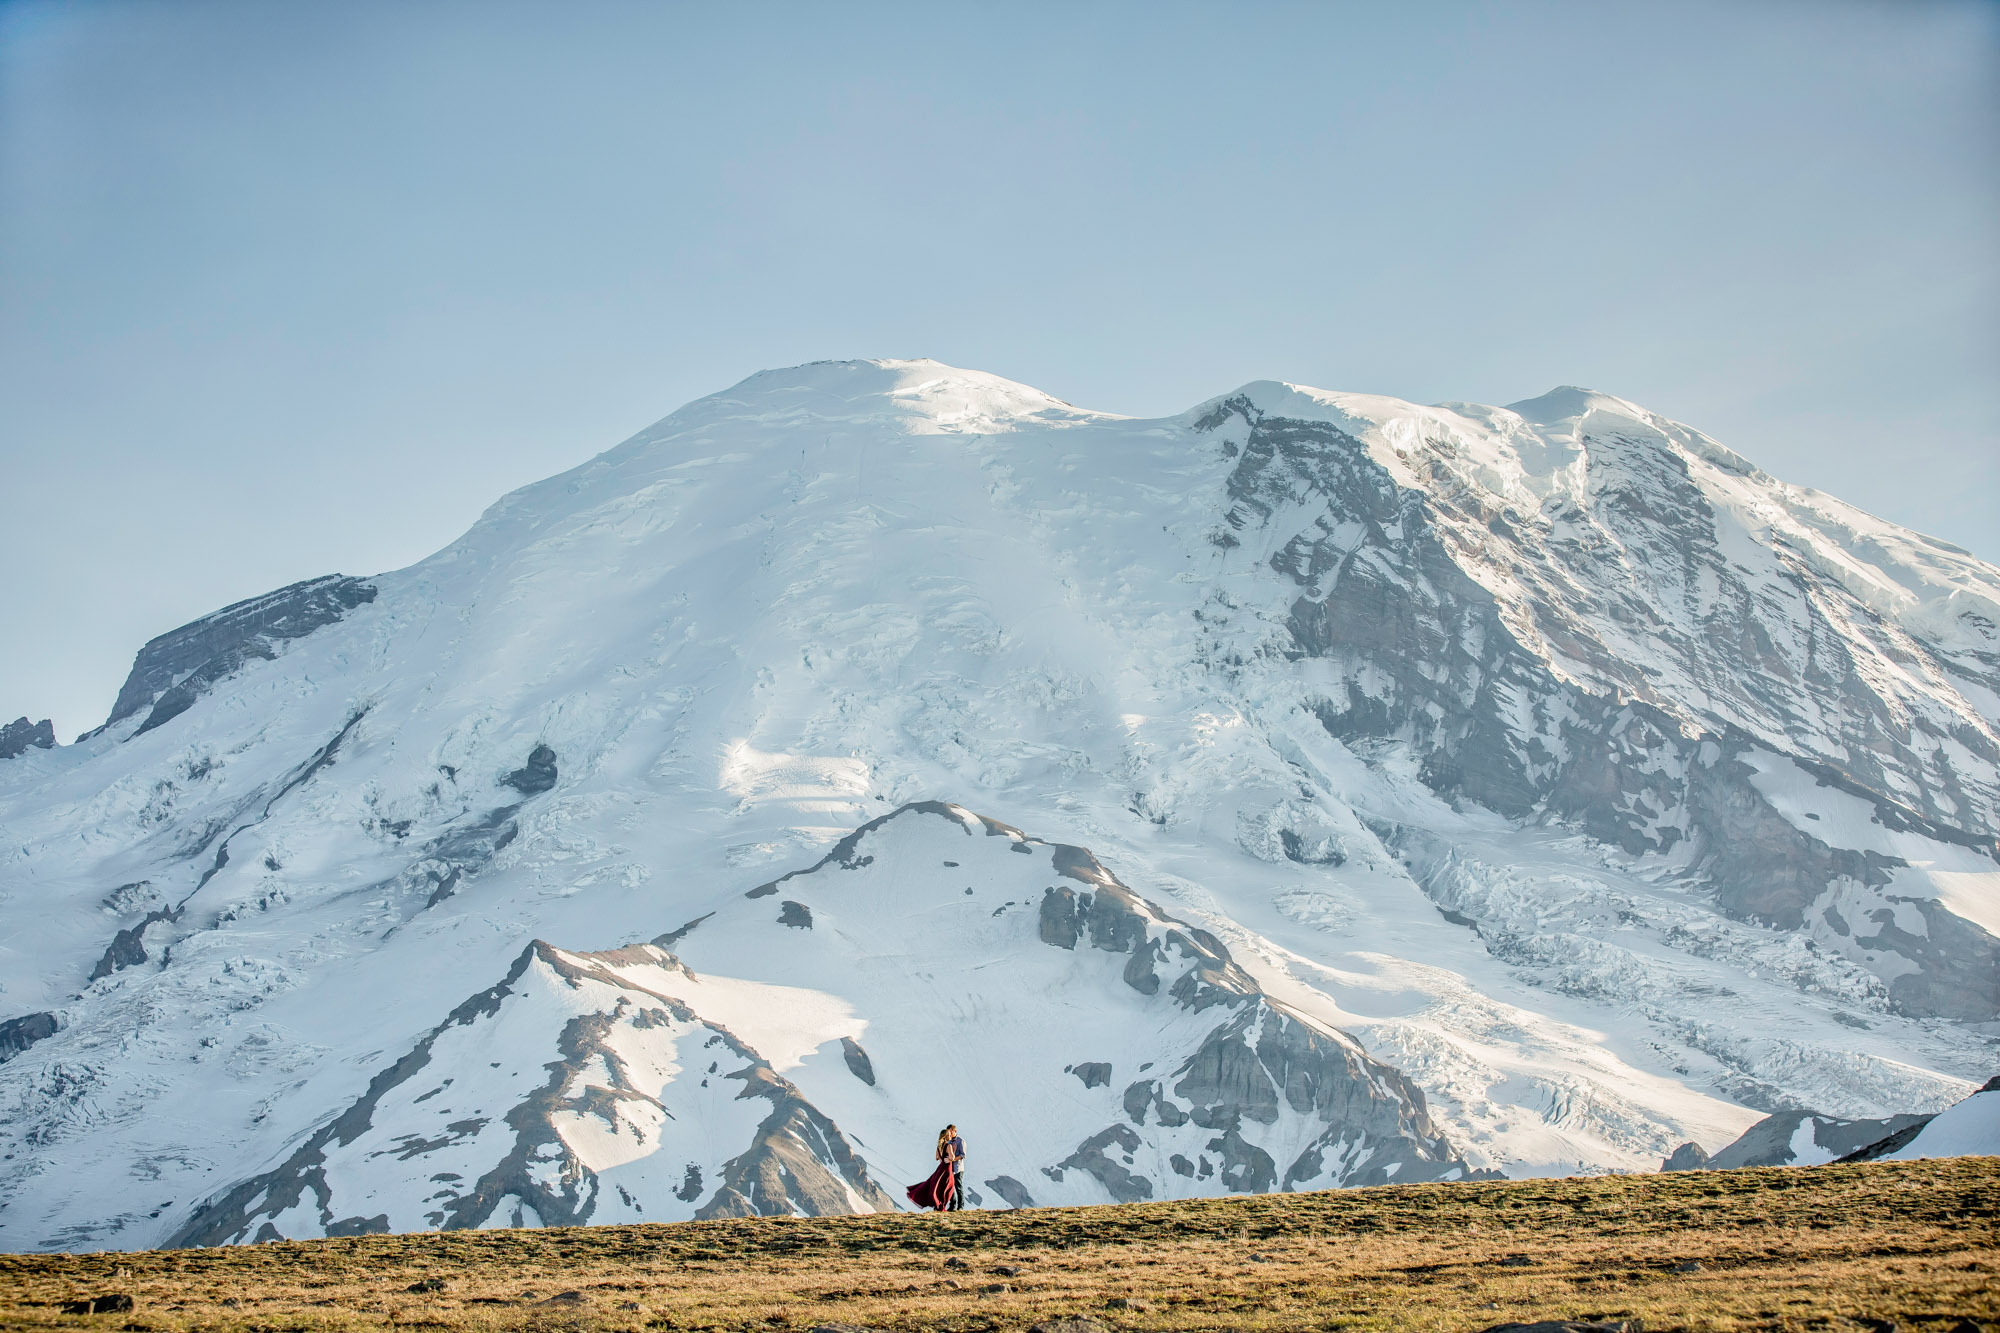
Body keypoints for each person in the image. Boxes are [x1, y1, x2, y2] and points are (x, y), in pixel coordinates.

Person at [905, 1127, 956, 1212]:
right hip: (947, 1168)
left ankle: (938, 1205)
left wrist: (942, 1158)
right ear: (946, 1136)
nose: (951, 1136)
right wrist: (952, 1157)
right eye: (949, 1135)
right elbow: (952, 1157)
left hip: (941, 1167)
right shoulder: (948, 1145)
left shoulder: (939, 1146)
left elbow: (937, 1158)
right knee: (948, 1186)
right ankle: (941, 1206)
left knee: (938, 1186)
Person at [943, 1123, 965, 1210]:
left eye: (950, 1132)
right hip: (950, 1169)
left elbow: (963, 1155)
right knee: (950, 1188)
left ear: (954, 1131)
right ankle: (952, 1206)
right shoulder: (948, 1141)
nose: (949, 1134)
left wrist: (953, 1159)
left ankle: (960, 1207)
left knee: (958, 1187)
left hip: (958, 1168)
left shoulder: (960, 1141)